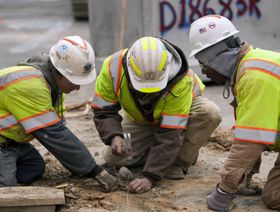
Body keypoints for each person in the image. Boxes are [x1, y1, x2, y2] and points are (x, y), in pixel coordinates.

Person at [92, 36, 221, 193]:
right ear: (130, 70)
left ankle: (179, 160)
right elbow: (103, 111)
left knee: (210, 113)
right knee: (113, 158)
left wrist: (150, 176)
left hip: (180, 118)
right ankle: (161, 153)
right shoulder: (113, 68)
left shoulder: (181, 79)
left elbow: (170, 132)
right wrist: (114, 135)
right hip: (141, 120)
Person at [0, 35, 118, 192]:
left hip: (12, 142)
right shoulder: (32, 86)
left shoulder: (52, 87)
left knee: (34, 168)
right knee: (6, 187)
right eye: (74, 81)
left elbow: (59, 132)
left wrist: (82, 165)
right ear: (59, 73)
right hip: (3, 143)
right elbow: (55, 135)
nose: (78, 88)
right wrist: (94, 170)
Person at [189, 15, 280, 210]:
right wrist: (243, 177)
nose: (204, 72)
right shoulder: (250, 65)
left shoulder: (254, 77)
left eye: (203, 63)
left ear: (219, 57)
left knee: (274, 196)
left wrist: (224, 191)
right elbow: (254, 131)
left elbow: (251, 140)